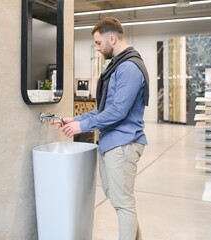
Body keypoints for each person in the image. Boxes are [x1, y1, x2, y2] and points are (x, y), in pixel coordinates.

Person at [58, 17, 149, 240]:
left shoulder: (128, 67)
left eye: (98, 43)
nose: (97, 48)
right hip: (113, 143)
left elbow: (118, 111)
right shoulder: (118, 65)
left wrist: (83, 125)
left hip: (124, 144)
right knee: (117, 199)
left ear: (111, 38)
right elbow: (104, 109)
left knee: (123, 204)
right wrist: (75, 120)